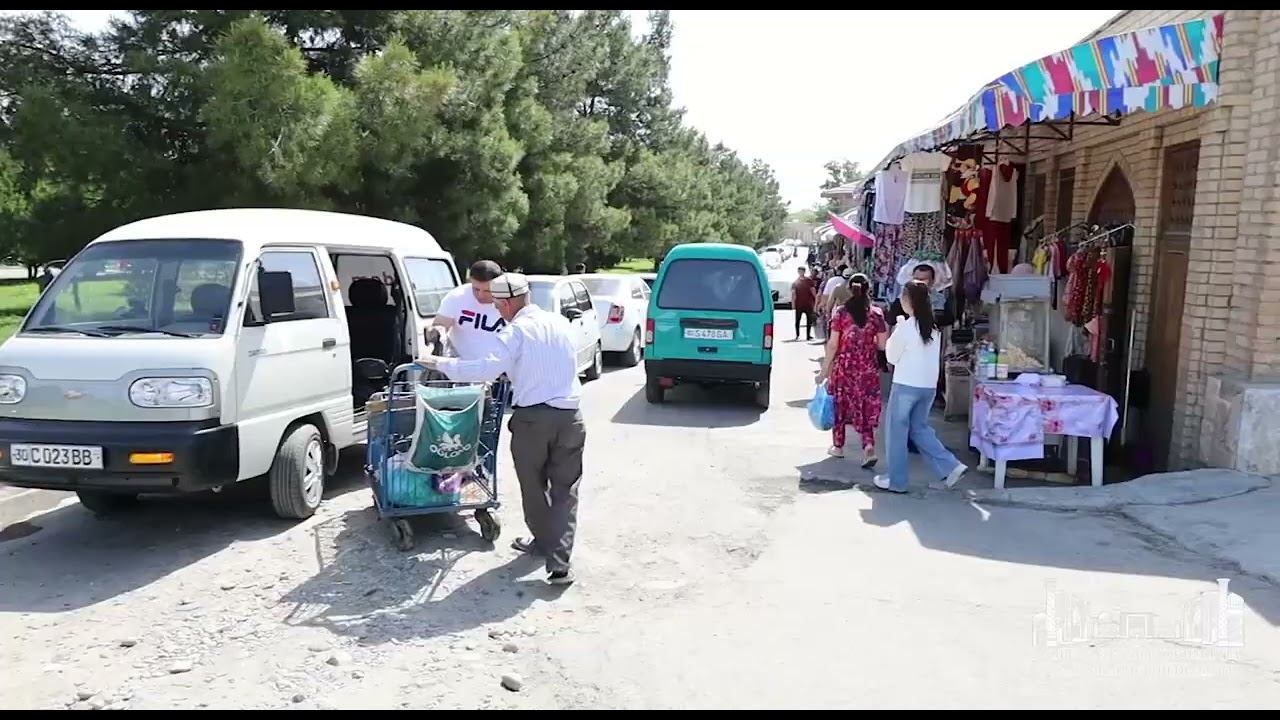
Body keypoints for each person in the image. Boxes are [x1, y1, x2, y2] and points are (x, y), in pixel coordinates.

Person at [419, 273, 585, 586]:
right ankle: (558, 563)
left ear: (507, 303)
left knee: (534, 486)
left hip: (534, 420)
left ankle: (542, 541)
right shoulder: (560, 323)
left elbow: (486, 368)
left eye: (497, 305)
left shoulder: (515, 332)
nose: (497, 311)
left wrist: (438, 363)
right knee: (566, 491)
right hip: (572, 417)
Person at [874, 280, 967, 493]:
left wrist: (896, 331)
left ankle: (897, 481)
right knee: (919, 429)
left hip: (906, 385)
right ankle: (951, 466)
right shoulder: (933, 329)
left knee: (897, 432)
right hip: (928, 387)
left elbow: (891, 357)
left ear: (908, 300)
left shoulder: (906, 327)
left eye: (902, 297)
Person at [816, 273, 887, 467]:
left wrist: (824, 371)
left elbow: (832, 345)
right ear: (868, 290)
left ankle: (838, 446)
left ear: (849, 289)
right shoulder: (876, 314)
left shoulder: (840, 313)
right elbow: (882, 345)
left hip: (844, 367)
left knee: (840, 404)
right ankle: (868, 446)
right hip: (867, 368)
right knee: (865, 406)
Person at [432, 260, 507, 360]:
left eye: (487, 291)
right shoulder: (457, 297)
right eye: (476, 289)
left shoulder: (510, 300)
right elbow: (441, 325)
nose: (480, 295)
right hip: (462, 367)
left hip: (500, 368)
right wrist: (435, 332)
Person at [790, 266, 818, 341]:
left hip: (808, 304)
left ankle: (807, 335)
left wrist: (816, 300)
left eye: (801, 271)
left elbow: (813, 290)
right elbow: (793, 294)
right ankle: (798, 335)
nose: (800, 272)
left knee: (808, 320)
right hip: (800, 304)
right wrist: (793, 304)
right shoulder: (796, 282)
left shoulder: (808, 281)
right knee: (798, 320)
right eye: (799, 271)